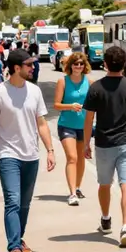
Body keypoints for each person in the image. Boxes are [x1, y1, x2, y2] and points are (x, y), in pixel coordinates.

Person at [0, 49, 56, 252]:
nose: (33, 68)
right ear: (16, 68)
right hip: (8, 155)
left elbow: (42, 123)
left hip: (31, 155)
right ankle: (14, 247)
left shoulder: (34, 91)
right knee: (13, 201)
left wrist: (50, 150)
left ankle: (19, 237)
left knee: (24, 204)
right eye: (28, 65)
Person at [83, 45, 126, 248]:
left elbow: (88, 119)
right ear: (125, 64)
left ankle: (105, 218)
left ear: (105, 64)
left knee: (104, 184)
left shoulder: (96, 88)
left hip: (104, 143)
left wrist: (86, 143)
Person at [54, 51, 92, 206]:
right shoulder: (62, 81)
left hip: (84, 126)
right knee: (72, 157)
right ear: (70, 66)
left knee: (81, 158)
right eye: (76, 64)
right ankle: (71, 194)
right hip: (66, 125)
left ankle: (77, 187)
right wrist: (70, 106)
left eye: (81, 64)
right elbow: (56, 105)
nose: (78, 66)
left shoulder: (89, 81)